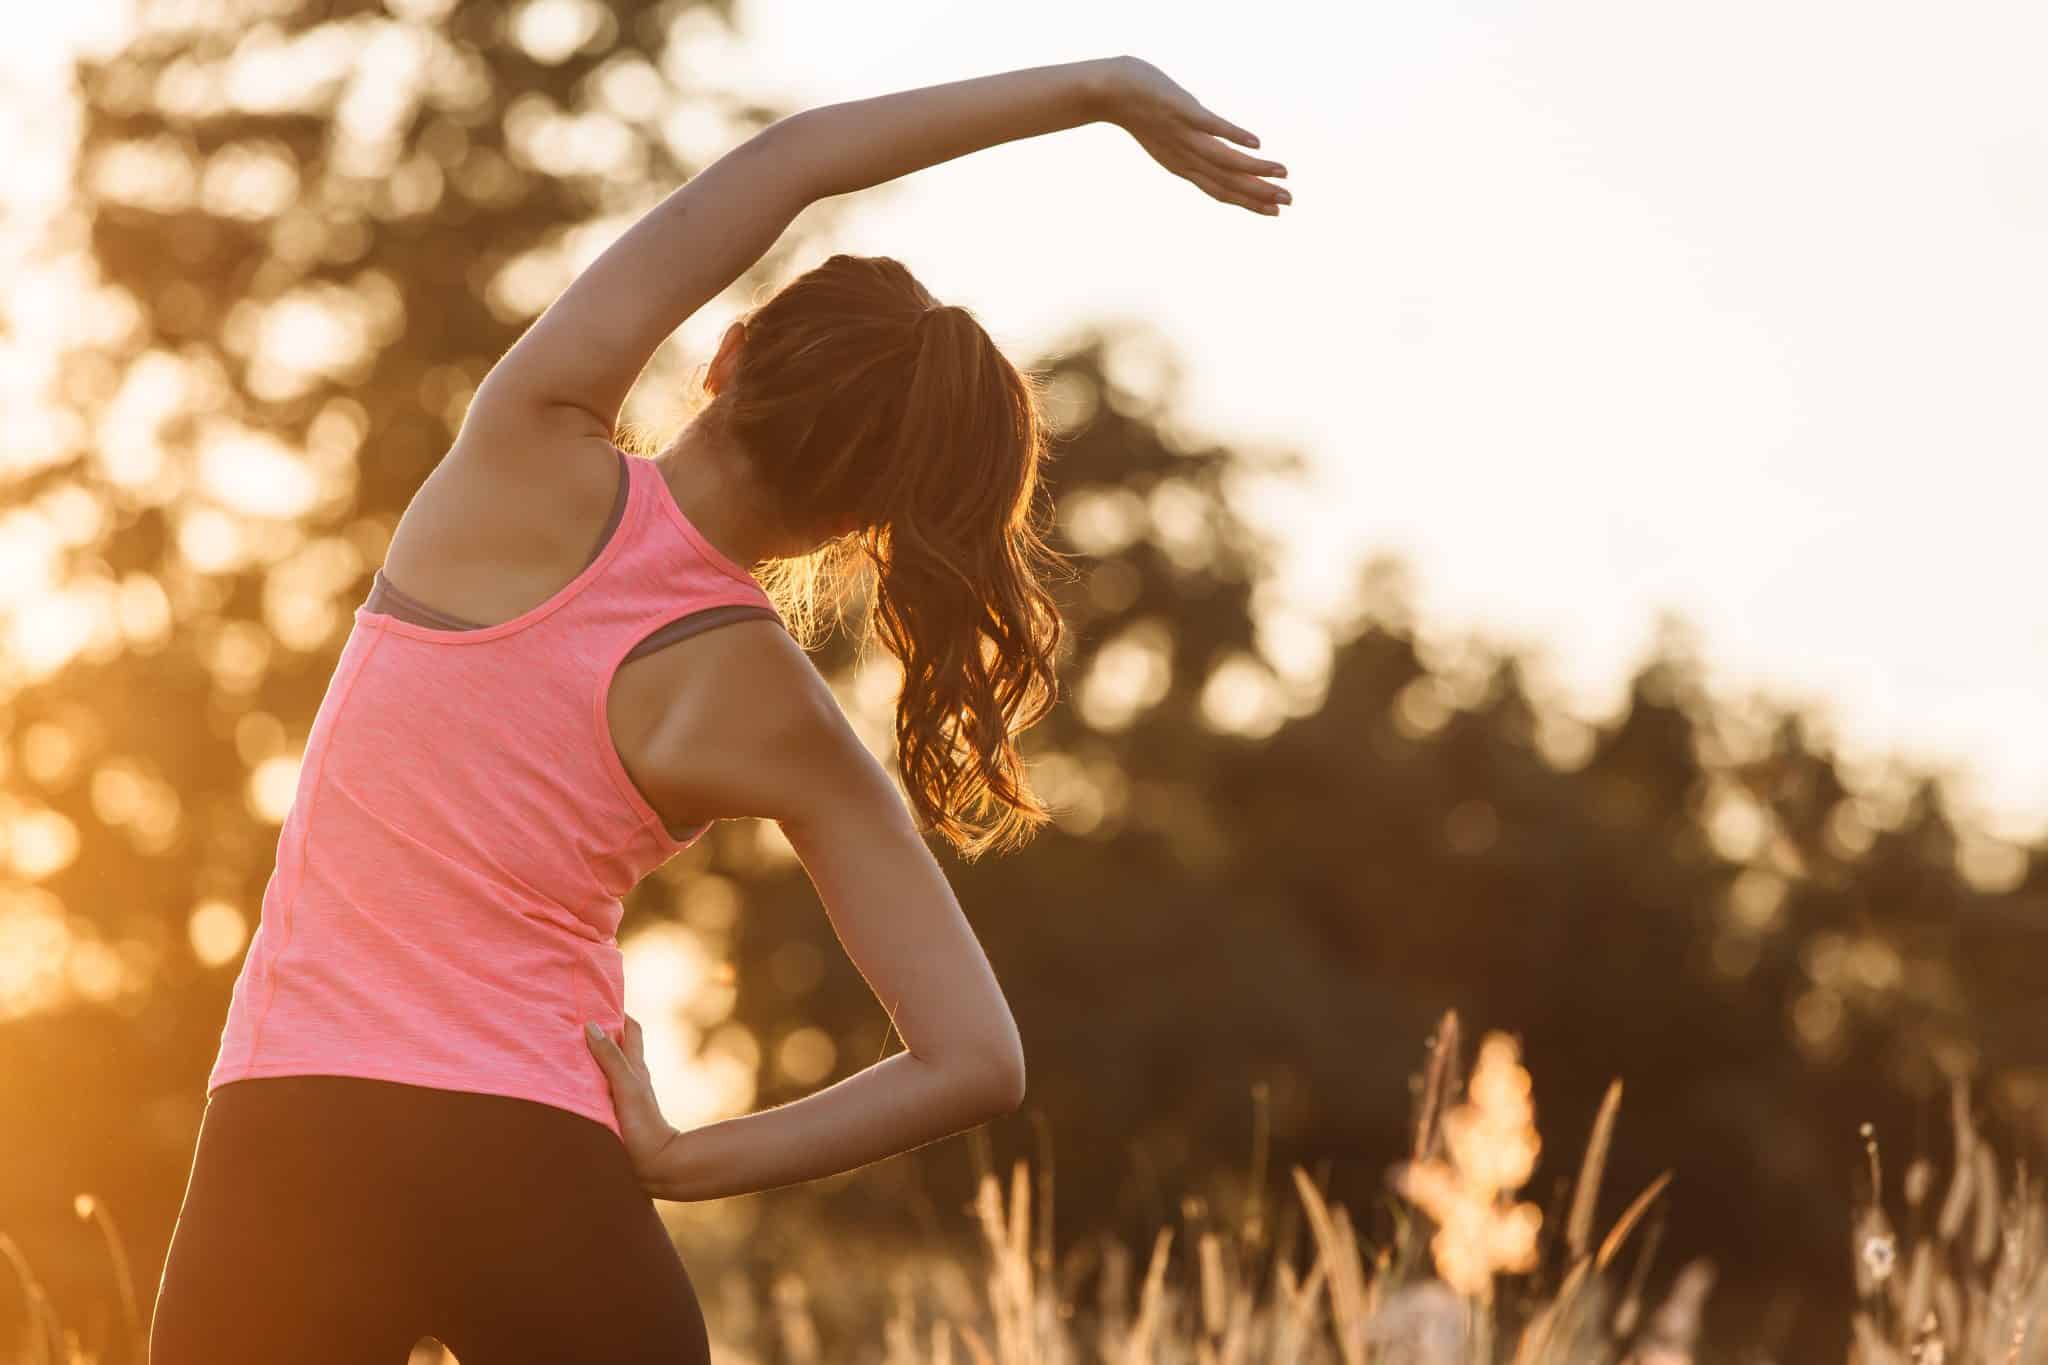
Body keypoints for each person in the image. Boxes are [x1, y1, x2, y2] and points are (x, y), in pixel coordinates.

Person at [148, 53, 1287, 1364]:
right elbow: (976, 1057)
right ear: (869, 519)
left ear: (727, 355)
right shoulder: (780, 711)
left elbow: (794, 162)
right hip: (541, 1163)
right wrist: (686, 1158)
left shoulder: (524, 441)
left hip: (297, 1133)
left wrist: (1098, 89)